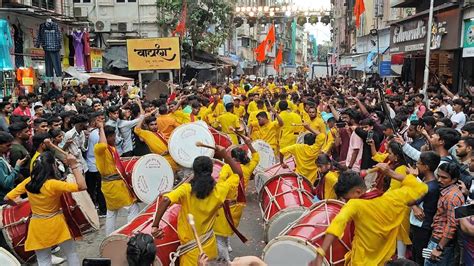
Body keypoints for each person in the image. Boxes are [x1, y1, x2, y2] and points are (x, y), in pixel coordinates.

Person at [310, 165, 428, 266]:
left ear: (357, 192)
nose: (346, 202)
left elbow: (337, 223)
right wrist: (390, 173)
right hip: (384, 261)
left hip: (361, 262)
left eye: (346, 198)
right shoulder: (392, 198)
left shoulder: (355, 204)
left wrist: (321, 253)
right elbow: (421, 188)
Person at [151, 145, 243, 266]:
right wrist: (225, 155)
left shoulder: (186, 189)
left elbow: (165, 200)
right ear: (211, 171)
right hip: (210, 248)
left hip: (191, 253)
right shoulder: (220, 190)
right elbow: (238, 174)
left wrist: (155, 226)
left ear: (194, 172)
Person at [4, 151, 87, 266]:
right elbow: (82, 186)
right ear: (52, 166)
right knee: (71, 253)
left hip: (37, 225)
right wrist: (74, 165)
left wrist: (17, 203)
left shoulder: (29, 181)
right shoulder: (53, 184)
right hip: (57, 223)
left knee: (43, 260)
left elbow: (7, 197)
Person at [214, 136, 260, 261]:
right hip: (239, 204)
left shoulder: (228, 168)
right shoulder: (249, 166)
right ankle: (228, 245)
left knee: (219, 234)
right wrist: (249, 144)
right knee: (227, 227)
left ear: (233, 158)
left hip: (227, 206)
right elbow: (256, 157)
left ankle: (227, 260)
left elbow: (220, 185)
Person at [94, 123, 140, 235]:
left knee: (111, 212)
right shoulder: (100, 149)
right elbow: (103, 145)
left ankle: (109, 236)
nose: (115, 138)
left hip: (110, 185)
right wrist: (101, 128)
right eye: (112, 136)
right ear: (106, 136)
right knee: (133, 208)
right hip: (114, 186)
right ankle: (131, 234)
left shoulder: (111, 149)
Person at [425, 162, 465, 266]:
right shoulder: (448, 192)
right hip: (438, 239)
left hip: (441, 243)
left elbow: (452, 224)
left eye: (444, 178)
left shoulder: (452, 197)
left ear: (454, 179)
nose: (439, 180)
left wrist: (439, 247)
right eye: (438, 176)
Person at [410, 151, 441, 265]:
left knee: (419, 256)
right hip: (420, 224)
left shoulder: (429, 187)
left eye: (418, 163)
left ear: (426, 167)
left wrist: (412, 179)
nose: (416, 165)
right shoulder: (428, 181)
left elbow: (409, 199)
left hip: (423, 226)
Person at [85, 112, 107, 217]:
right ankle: (102, 210)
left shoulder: (91, 132)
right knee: (98, 189)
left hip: (93, 164)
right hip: (94, 165)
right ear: (95, 122)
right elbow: (103, 146)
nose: (103, 122)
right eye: (100, 120)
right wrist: (101, 129)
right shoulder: (95, 134)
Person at [0, 131, 27, 204]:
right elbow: (6, 183)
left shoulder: (3, 155)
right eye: (8, 145)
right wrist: (17, 167)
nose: (11, 147)